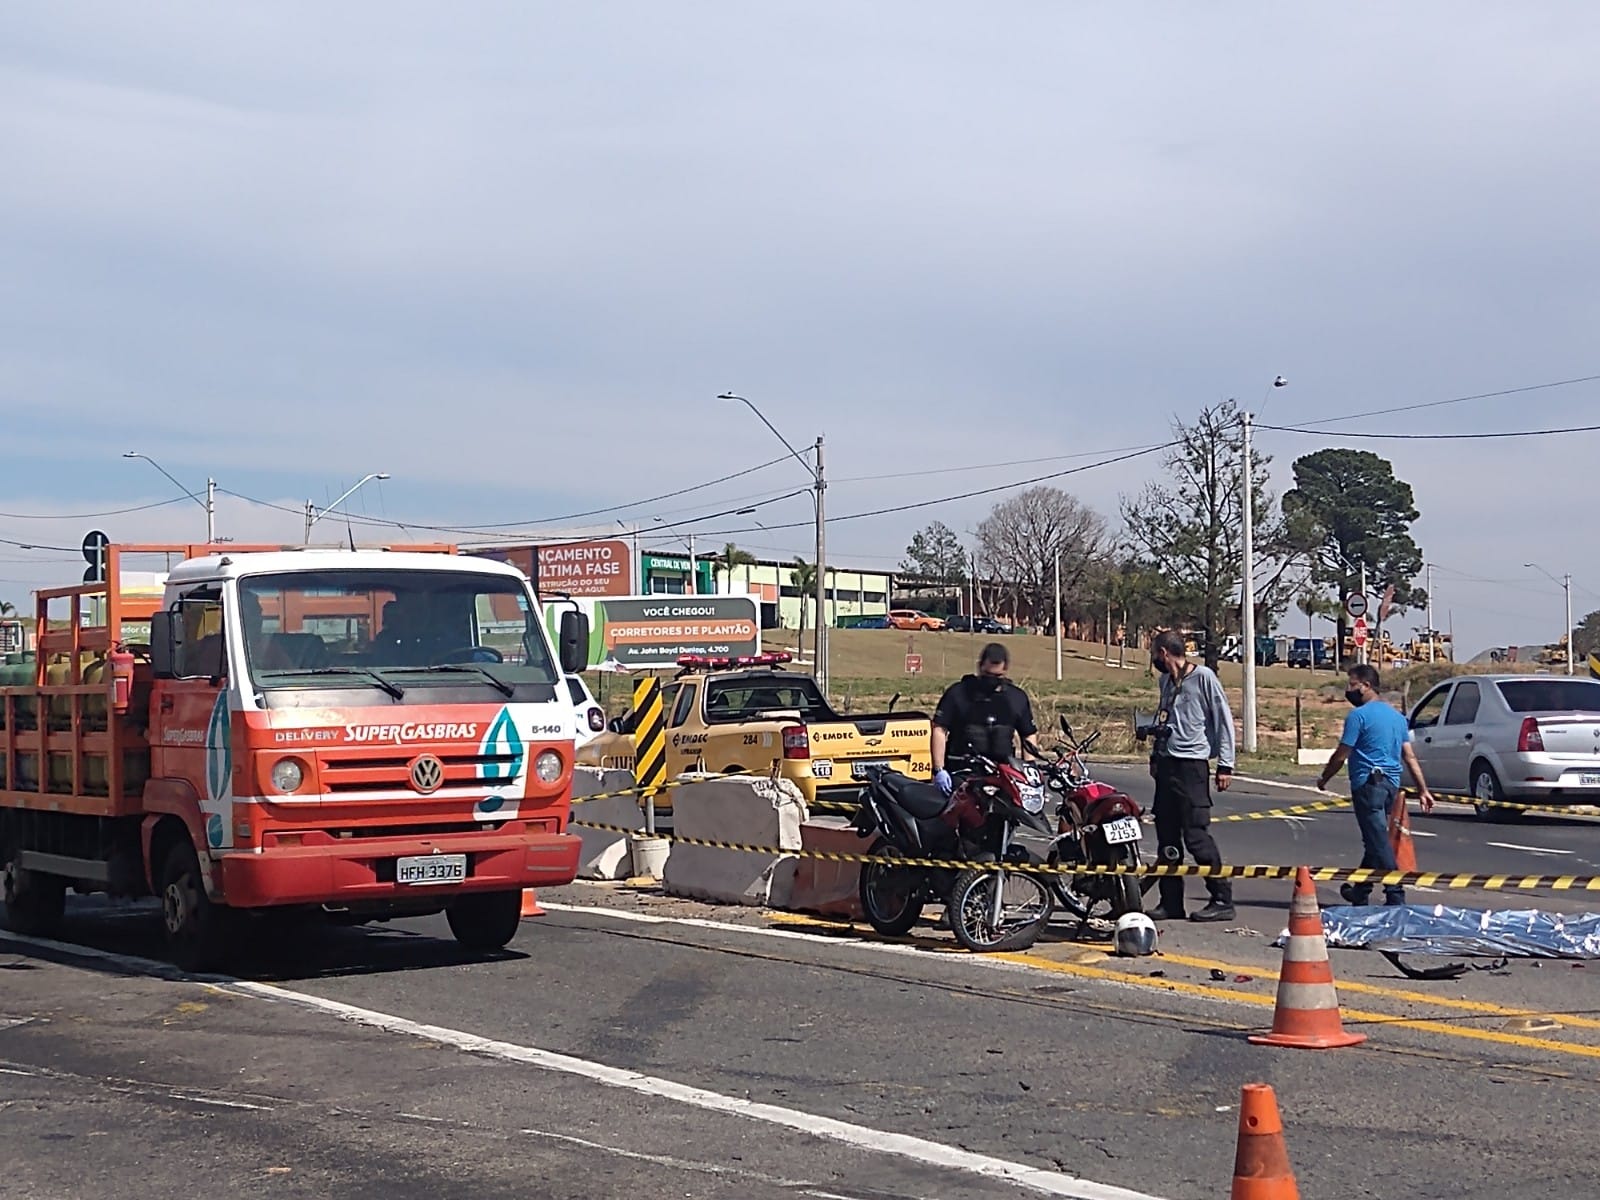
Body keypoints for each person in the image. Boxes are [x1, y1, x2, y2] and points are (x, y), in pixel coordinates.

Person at [1316, 664, 1435, 906]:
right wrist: (1423, 789)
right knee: (1375, 839)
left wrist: (1325, 778)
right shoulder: (1397, 718)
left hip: (1368, 784)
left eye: (1352, 684)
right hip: (1391, 785)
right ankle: (1360, 891)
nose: (1349, 690)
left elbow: (1342, 753)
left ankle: (1395, 895)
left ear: (1366, 685)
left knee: (1378, 841)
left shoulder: (1358, 716)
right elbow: (1409, 756)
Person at [1145, 629, 1237, 923]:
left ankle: (1221, 898)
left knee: (1196, 835)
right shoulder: (1166, 682)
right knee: (1167, 836)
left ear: (1163, 653)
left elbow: (1223, 720)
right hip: (1167, 763)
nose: (1153, 660)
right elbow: (1164, 718)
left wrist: (1225, 765)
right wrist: (1155, 755)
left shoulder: (1203, 677)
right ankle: (1171, 901)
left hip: (1192, 766)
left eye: (1154, 653)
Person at [930, 642, 1042, 795]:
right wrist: (939, 769)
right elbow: (939, 729)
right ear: (980, 667)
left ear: (1005, 670)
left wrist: (1029, 770)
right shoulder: (958, 693)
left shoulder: (1016, 698)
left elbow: (1028, 735)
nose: (992, 681)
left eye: (997, 676)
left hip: (1002, 773)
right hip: (963, 773)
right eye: (988, 675)